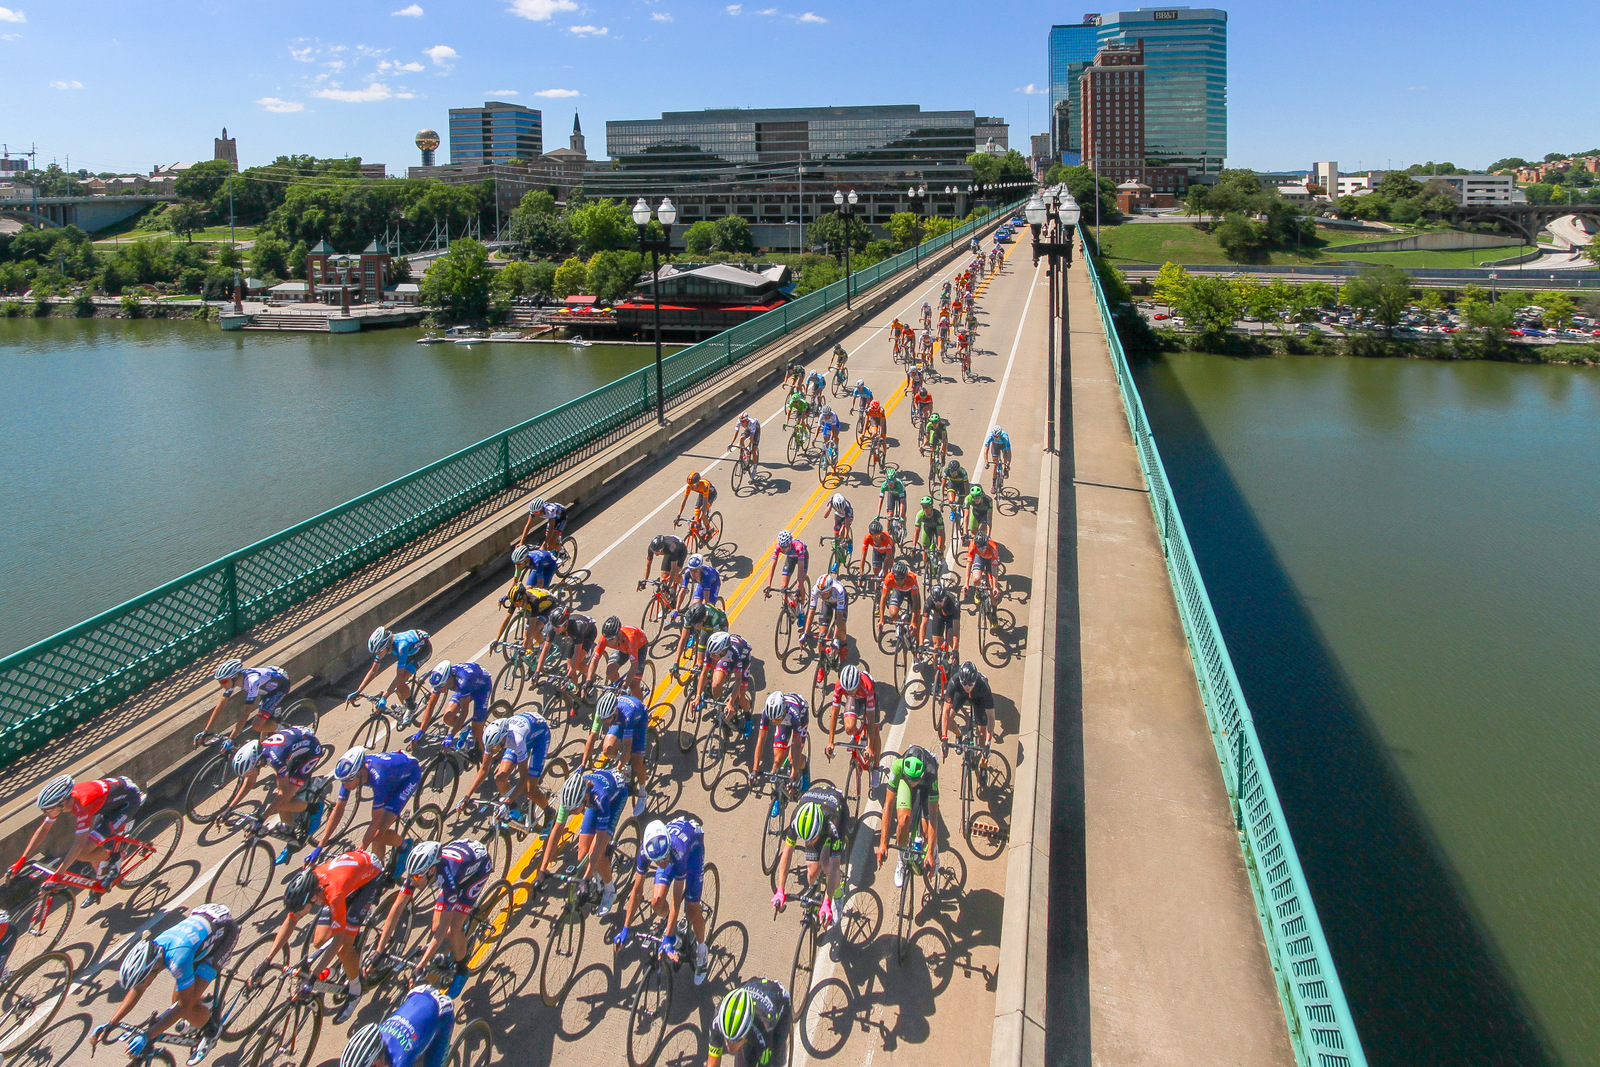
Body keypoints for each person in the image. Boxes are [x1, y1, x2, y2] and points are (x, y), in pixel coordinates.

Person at [94, 904, 238, 1064]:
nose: (142, 985)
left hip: (224, 933)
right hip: (203, 920)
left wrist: (148, 1035)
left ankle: (211, 1031)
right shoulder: (155, 949)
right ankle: (205, 1006)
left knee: (185, 1006)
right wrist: (111, 1023)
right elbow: (138, 989)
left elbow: (183, 1005)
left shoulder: (178, 961)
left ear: (154, 967)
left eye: (143, 981)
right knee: (180, 1000)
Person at [268, 848, 387, 1024]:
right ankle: (347, 959)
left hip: (369, 877)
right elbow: (291, 920)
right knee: (319, 940)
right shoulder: (310, 886)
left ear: (312, 899)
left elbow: (338, 942)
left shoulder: (333, 895)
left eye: (300, 910)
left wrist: (313, 976)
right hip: (347, 875)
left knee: (344, 948)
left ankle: (356, 990)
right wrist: (267, 961)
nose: (298, 914)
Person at [379, 839, 493, 997]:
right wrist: (378, 951)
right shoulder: (418, 872)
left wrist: (420, 967)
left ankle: (461, 969)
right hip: (462, 858)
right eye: (411, 876)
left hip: (477, 871)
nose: (413, 881)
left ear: (431, 871)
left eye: (417, 878)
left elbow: (442, 932)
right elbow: (396, 909)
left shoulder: (449, 881)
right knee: (434, 925)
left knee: (452, 930)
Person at [11, 775, 146, 903]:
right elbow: (44, 829)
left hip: (127, 802)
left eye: (47, 810)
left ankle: (114, 857)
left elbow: (78, 845)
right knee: (91, 850)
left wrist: (57, 877)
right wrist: (22, 859)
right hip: (108, 801)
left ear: (63, 803)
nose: (45, 814)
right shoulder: (66, 802)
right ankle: (101, 879)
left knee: (83, 852)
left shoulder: (83, 805)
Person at [613, 816, 711, 985]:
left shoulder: (678, 852)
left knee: (691, 910)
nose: (662, 863)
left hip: (692, 850)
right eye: (657, 861)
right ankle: (671, 927)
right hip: (670, 847)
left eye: (664, 859)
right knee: (656, 901)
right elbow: (636, 891)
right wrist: (625, 928)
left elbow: (676, 901)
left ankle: (702, 952)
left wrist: (667, 938)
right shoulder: (645, 852)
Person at [534, 767, 632, 916]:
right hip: (593, 799)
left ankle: (610, 889)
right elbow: (555, 833)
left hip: (615, 797)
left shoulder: (601, 797)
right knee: (581, 856)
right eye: (570, 810)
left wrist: (585, 878)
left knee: (596, 854)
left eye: (574, 809)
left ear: (585, 797)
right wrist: (542, 869)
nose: (572, 813)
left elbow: (598, 843)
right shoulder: (570, 798)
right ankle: (597, 879)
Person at [228, 726, 326, 863]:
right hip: (295, 747)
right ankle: (291, 838)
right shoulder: (260, 755)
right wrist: (230, 808)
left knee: (283, 803)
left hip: (311, 752)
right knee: (280, 803)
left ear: (257, 762)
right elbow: (249, 783)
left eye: (248, 772)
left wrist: (261, 819)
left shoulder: (276, 759)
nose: (247, 776)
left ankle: (315, 809)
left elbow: (282, 794)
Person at [314, 747, 422, 865]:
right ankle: (378, 871)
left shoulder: (378, 777)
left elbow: (376, 820)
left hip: (409, 777)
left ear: (360, 772)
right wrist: (319, 847)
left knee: (377, 836)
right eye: (343, 781)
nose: (345, 785)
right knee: (376, 836)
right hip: (391, 776)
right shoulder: (351, 776)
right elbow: (338, 810)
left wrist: (360, 852)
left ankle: (405, 847)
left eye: (348, 781)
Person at [770, 782, 850, 928]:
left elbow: (834, 866)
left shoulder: (833, 825)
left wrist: (827, 902)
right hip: (813, 806)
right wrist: (780, 890)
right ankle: (816, 895)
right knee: (812, 872)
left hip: (837, 810)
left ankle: (838, 894)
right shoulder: (796, 818)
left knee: (826, 863)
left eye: (812, 838)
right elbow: (786, 854)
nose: (810, 843)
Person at [459, 709, 553, 824]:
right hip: (523, 731)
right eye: (491, 749)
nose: (493, 751)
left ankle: (549, 811)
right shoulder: (493, 740)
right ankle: (513, 811)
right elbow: (484, 769)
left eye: (495, 748)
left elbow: (523, 777)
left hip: (540, 736)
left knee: (529, 790)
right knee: (500, 778)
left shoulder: (517, 740)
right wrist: (467, 796)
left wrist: (506, 802)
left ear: (503, 738)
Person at [875, 745, 942, 889]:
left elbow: (933, 814)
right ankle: (901, 860)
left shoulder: (931, 771)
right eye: (911, 779)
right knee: (904, 820)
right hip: (905, 780)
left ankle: (935, 851)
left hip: (926, 785)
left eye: (914, 780)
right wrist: (883, 843)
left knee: (926, 829)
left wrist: (930, 850)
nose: (913, 783)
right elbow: (888, 805)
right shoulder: (898, 766)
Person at [337, 986, 454, 1067]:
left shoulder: (400, 1061)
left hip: (441, 1012)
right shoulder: (374, 1039)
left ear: (377, 1063)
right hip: (418, 995)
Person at [582, 690, 651, 815]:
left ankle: (642, 793)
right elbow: (592, 738)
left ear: (615, 712)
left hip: (637, 720)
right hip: (620, 720)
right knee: (607, 749)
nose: (605, 723)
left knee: (637, 761)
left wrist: (617, 769)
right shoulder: (602, 714)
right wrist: (582, 765)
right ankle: (627, 767)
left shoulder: (628, 714)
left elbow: (627, 746)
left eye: (607, 719)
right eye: (603, 719)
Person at [410, 660, 494, 755]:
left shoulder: (463, 683)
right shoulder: (442, 680)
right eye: (436, 687)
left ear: (449, 680)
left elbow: (464, 712)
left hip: (482, 688)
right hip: (467, 685)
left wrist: (451, 735)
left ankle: (486, 761)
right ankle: (465, 729)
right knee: (448, 717)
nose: (438, 689)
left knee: (477, 732)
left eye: (440, 686)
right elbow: (431, 706)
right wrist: (421, 731)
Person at [199, 658, 290, 745]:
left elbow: (246, 712)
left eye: (224, 682)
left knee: (257, 725)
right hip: (267, 688)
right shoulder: (233, 682)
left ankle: (284, 730)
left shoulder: (252, 681)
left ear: (235, 678)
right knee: (262, 739)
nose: (221, 685)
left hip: (280, 687)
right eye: (220, 682)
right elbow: (221, 705)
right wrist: (206, 731)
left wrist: (232, 738)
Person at [706, 979, 790, 1067]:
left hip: (780, 1001)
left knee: (776, 1060)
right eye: (726, 1038)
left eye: (736, 1040)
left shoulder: (763, 1031)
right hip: (752, 989)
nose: (729, 1045)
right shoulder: (718, 1020)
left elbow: (764, 1063)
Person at [350, 627, 433, 710]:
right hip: (409, 652)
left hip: (423, 651)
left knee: (400, 681)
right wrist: (358, 691)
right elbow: (373, 671)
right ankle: (405, 707)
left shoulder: (401, 647)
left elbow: (399, 675)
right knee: (397, 686)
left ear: (387, 645)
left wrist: (384, 697)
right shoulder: (385, 647)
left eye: (379, 651)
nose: (377, 654)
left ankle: (411, 708)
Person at [752, 691, 809, 794]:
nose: (774, 722)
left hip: (801, 715)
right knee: (777, 759)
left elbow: (796, 746)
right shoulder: (767, 713)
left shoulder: (794, 715)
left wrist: (793, 776)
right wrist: (755, 770)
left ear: (783, 711)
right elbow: (761, 739)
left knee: (793, 758)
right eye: (772, 720)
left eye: (777, 719)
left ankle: (805, 766)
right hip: (785, 720)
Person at [825, 664, 881, 765]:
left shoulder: (867, 686)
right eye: (847, 690)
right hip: (855, 697)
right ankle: (856, 737)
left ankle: (876, 770)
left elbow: (871, 717)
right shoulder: (840, 686)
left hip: (868, 695)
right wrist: (830, 742)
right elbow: (834, 713)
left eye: (851, 690)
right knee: (849, 727)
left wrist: (870, 747)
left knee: (875, 730)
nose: (849, 692)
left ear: (858, 683)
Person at [941, 661, 998, 758]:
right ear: (960, 679)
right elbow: (945, 711)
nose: (967, 687)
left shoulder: (983, 686)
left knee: (981, 732)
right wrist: (944, 738)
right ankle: (958, 735)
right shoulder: (954, 681)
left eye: (970, 684)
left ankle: (982, 760)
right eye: (964, 683)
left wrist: (987, 744)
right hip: (961, 695)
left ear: (975, 681)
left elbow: (991, 717)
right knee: (949, 720)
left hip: (979, 698)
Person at [533, 604, 597, 690]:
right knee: (569, 665)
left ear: (565, 623)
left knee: (576, 665)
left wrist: (568, 676)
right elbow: (546, 649)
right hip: (572, 636)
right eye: (554, 626)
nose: (555, 629)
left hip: (588, 634)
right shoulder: (554, 627)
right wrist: (537, 671)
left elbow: (577, 652)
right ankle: (576, 691)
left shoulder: (577, 628)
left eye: (558, 627)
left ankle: (590, 673)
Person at [695, 631, 754, 722]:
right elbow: (704, 673)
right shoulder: (713, 651)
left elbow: (738, 680)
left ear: (723, 651)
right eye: (710, 653)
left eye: (714, 654)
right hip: (725, 659)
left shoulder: (735, 653)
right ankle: (723, 711)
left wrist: (731, 702)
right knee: (715, 685)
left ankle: (748, 716)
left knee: (740, 697)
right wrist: (698, 696)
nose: (711, 656)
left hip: (743, 659)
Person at [491, 581, 559, 658]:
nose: (515, 605)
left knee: (533, 631)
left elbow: (532, 626)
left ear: (524, 597)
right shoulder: (516, 600)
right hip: (536, 608)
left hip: (549, 607)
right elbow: (507, 619)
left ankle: (546, 647)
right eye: (513, 603)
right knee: (527, 634)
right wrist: (497, 640)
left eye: (517, 602)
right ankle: (532, 655)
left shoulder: (533, 601)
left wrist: (524, 647)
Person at [589, 616, 650, 700]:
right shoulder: (604, 638)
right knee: (610, 671)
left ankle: (643, 710)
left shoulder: (630, 638)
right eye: (607, 639)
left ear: (618, 634)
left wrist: (625, 686)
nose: (608, 642)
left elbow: (634, 665)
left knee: (634, 685)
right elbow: (595, 659)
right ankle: (622, 686)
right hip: (622, 648)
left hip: (639, 647)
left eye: (611, 639)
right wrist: (588, 680)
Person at [672, 600, 728, 672]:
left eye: (697, 624)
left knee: (716, 650)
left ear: (704, 618)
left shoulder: (715, 618)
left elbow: (717, 646)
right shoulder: (689, 615)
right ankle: (700, 666)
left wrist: (711, 671)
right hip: (705, 626)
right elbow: (683, 639)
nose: (695, 627)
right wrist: (676, 663)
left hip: (720, 624)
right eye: (694, 624)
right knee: (701, 656)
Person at [640, 532, 689, 604]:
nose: (656, 554)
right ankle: (665, 605)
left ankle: (684, 586)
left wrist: (668, 586)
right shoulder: (651, 548)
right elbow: (648, 564)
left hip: (680, 550)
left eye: (658, 552)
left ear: (662, 548)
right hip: (668, 551)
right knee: (664, 575)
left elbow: (673, 569)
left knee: (674, 574)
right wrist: (644, 581)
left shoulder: (671, 548)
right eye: (654, 552)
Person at [805, 572, 849, 649]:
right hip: (827, 604)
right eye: (821, 593)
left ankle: (844, 645)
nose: (822, 596)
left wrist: (835, 638)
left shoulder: (839, 590)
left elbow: (839, 615)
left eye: (825, 593)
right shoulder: (815, 590)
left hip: (840, 603)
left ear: (830, 589)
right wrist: (805, 633)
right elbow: (811, 610)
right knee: (821, 635)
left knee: (841, 632)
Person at [878, 559, 922, 639]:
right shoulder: (889, 578)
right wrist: (881, 619)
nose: (898, 581)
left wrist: (913, 622)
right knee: (893, 614)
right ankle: (899, 627)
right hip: (898, 592)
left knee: (916, 619)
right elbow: (883, 599)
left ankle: (918, 642)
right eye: (896, 579)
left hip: (910, 592)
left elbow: (915, 602)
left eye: (900, 579)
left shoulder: (912, 579)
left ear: (905, 576)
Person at [763, 530, 810, 602]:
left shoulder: (799, 547)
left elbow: (800, 569)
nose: (783, 549)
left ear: (790, 543)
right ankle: (792, 600)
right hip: (791, 558)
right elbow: (773, 565)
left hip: (802, 558)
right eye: (782, 546)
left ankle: (801, 609)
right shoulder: (778, 546)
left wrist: (799, 587)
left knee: (800, 585)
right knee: (783, 587)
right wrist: (768, 585)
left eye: (785, 547)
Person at [921, 581, 962, 659]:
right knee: (936, 647)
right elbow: (923, 625)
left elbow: (956, 631)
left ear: (945, 597)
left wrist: (954, 650)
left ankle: (955, 661)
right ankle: (936, 667)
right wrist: (921, 645)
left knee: (951, 641)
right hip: (939, 616)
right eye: (936, 601)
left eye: (940, 601)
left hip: (951, 617)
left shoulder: (954, 603)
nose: (938, 603)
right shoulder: (929, 602)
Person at [965, 532, 1001, 602]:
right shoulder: (973, 545)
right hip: (979, 558)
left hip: (990, 560)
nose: (981, 550)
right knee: (976, 579)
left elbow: (994, 570)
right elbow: (968, 564)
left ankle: (994, 610)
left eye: (983, 548)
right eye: (978, 547)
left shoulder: (993, 548)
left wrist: (995, 586)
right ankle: (978, 591)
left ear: (987, 545)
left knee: (992, 588)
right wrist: (966, 583)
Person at [858, 519, 894, 584]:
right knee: (876, 572)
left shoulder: (887, 539)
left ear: (881, 534)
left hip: (888, 552)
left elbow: (888, 558)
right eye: (873, 536)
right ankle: (876, 589)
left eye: (877, 536)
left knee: (887, 571)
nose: (875, 538)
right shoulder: (867, 538)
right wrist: (861, 574)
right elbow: (863, 556)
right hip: (877, 551)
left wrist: (887, 569)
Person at [913, 495, 946, 561]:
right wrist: (913, 546)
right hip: (927, 528)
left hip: (937, 529)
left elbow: (940, 533)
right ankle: (926, 566)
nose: (926, 509)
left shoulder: (937, 515)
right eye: (923, 507)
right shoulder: (919, 515)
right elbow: (916, 531)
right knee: (925, 549)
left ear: (931, 506)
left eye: (927, 506)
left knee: (941, 546)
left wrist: (939, 549)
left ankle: (940, 558)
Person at [824, 493, 854, 561]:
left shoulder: (847, 508)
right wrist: (830, 506)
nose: (840, 510)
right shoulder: (831, 502)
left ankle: (849, 542)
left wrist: (846, 537)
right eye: (838, 509)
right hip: (838, 516)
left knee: (842, 533)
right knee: (836, 535)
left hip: (847, 517)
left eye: (841, 509)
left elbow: (846, 525)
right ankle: (837, 560)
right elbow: (825, 516)